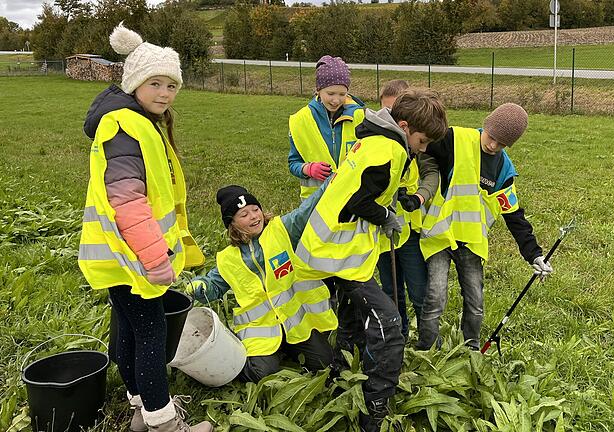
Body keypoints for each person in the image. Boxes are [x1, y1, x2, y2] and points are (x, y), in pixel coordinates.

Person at [78, 23, 210, 432]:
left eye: (172, 85)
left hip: (121, 256)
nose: (165, 93)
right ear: (134, 81)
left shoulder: (137, 121)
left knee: (130, 332)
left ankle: (139, 406)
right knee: (151, 336)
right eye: (155, 83)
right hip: (136, 257)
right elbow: (128, 201)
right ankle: (163, 422)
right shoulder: (124, 125)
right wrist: (155, 259)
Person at [295, 88, 448, 432]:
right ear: (406, 127)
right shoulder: (389, 150)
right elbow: (357, 201)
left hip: (334, 250)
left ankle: (341, 376)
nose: (421, 149)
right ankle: (373, 411)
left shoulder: (375, 138)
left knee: (351, 316)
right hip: (336, 253)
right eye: (422, 142)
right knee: (390, 327)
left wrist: (386, 208)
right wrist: (385, 216)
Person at [415, 103, 554, 351]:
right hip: (439, 236)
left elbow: (514, 216)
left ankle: (471, 350)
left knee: (476, 302)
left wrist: (534, 253)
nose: (493, 146)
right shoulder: (453, 139)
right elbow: (419, 146)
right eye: (491, 138)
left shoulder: (503, 170)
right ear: (485, 125)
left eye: (501, 144)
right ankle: (426, 350)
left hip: (471, 243)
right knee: (435, 298)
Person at [188, 184, 337, 382]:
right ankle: (271, 353)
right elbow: (213, 286)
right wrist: (199, 286)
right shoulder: (227, 258)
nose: (253, 216)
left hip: (297, 324)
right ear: (232, 223)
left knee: (324, 364)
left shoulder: (283, 230)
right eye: (244, 214)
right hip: (261, 331)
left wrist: (332, 181)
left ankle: (288, 347)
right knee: (261, 374)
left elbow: (308, 208)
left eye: (255, 209)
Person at [376, 80, 439, 340]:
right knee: (391, 290)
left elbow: (431, 173)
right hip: (383, 234)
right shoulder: (380, 143)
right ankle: (397, 336)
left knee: (419, 289)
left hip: (410, 230)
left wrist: (418, 197)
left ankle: (429, 340)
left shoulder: (418, 141)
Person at [288, 55, 365, 201]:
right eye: (330, 94)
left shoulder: (359, 116)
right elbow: (293, 163)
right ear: (318, 90)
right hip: (315, 203)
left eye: (342, 94)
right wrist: (308, 169)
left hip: (350, 199)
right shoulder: (300, 120)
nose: (336, 100)